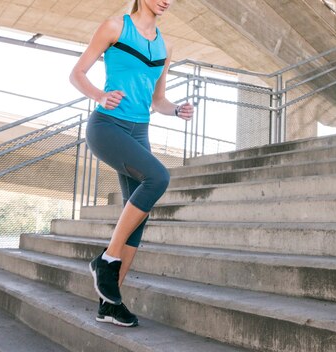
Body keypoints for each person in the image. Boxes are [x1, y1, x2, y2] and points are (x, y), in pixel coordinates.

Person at [69, 0, 193, 327]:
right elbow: (77, 73)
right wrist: (99, 95)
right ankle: (107, 259)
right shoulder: (116, 27)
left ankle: (110, 302)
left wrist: (176, 109)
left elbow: (157, 100)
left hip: (140, 131)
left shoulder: (165, 46)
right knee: (158, 178)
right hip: (108, 126)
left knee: (139, 217)